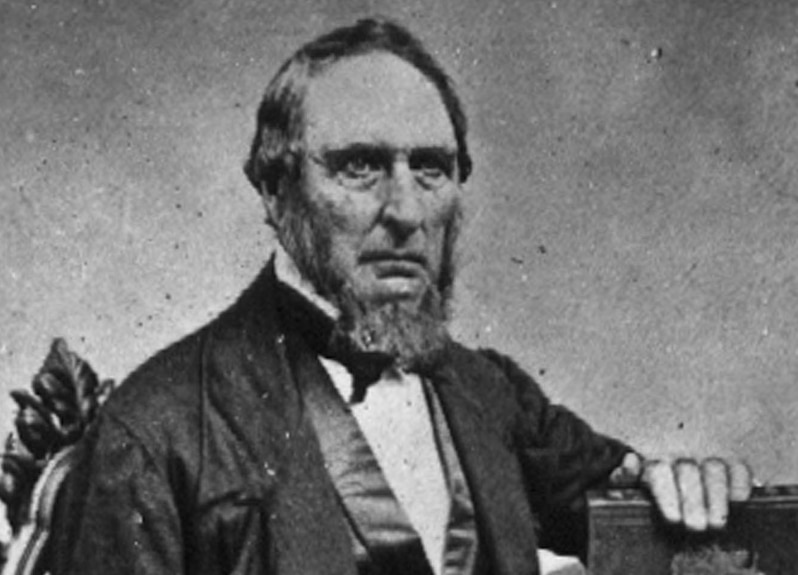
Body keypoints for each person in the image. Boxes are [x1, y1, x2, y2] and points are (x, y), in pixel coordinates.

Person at [49, 17, 752, 575]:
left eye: (431, 168)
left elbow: (632, 508)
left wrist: (683, 484)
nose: (407, 210)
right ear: (275, 187)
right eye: (360, 166)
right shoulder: (155, 434)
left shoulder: (491, 392)